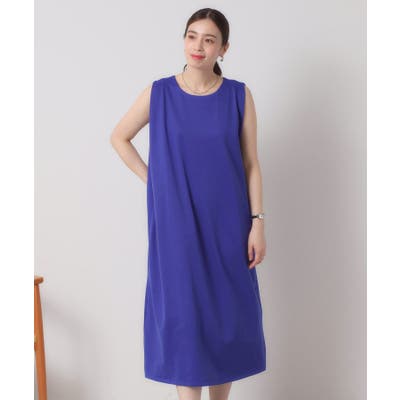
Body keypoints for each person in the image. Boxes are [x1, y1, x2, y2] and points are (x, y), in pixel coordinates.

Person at [110, 8, 267, 400]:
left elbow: (251, 163)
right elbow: (119, 137)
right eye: (192, 36)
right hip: (175, 223)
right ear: (184, 40)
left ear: (223, 48)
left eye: (209, 39)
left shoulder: (238, 96)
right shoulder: (159, 93)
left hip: (229, 223)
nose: (198, 46)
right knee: (184, 315)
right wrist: (154, 181)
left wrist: (258, 221)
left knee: (226, 315)